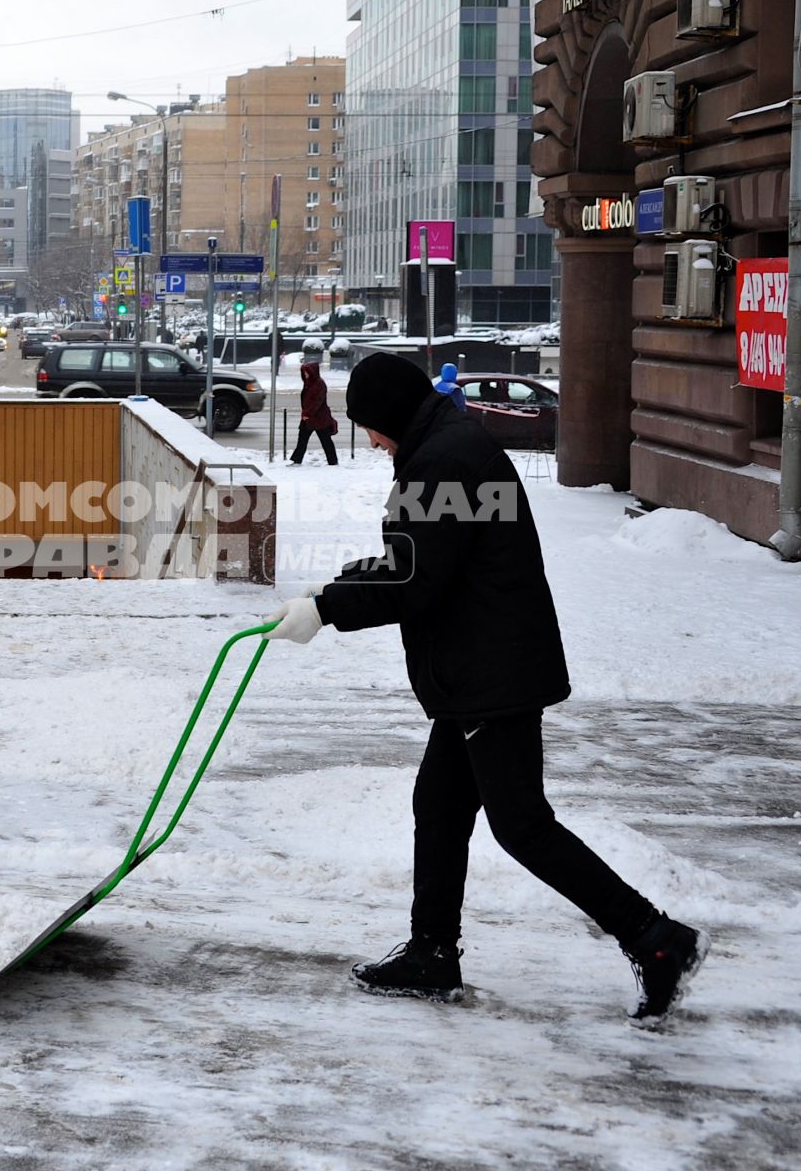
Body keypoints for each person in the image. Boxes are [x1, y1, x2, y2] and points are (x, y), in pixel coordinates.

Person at [262, 353, 708, 1027]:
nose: (374, 443)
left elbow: (416, 579)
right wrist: (336, 586)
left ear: (388, 417)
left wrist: (329, 611)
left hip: (487, 670)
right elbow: (420, 557)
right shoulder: (448, 443)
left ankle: (655, 940)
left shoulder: (440, 460)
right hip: (483, 664)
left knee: (522, 825)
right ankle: (432, 954)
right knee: (439, 806)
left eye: (371, 430)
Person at [289, 338, 339, 466]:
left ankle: (333, 461)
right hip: (309, 417)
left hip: (318, 418)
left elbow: (317, 402)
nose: (305, 375)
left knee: (325, 440)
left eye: (307, 372)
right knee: (303, 439)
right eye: (304, 373)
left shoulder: (318, 385)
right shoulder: (309, 384)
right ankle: (297, 460)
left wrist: (307, 413)